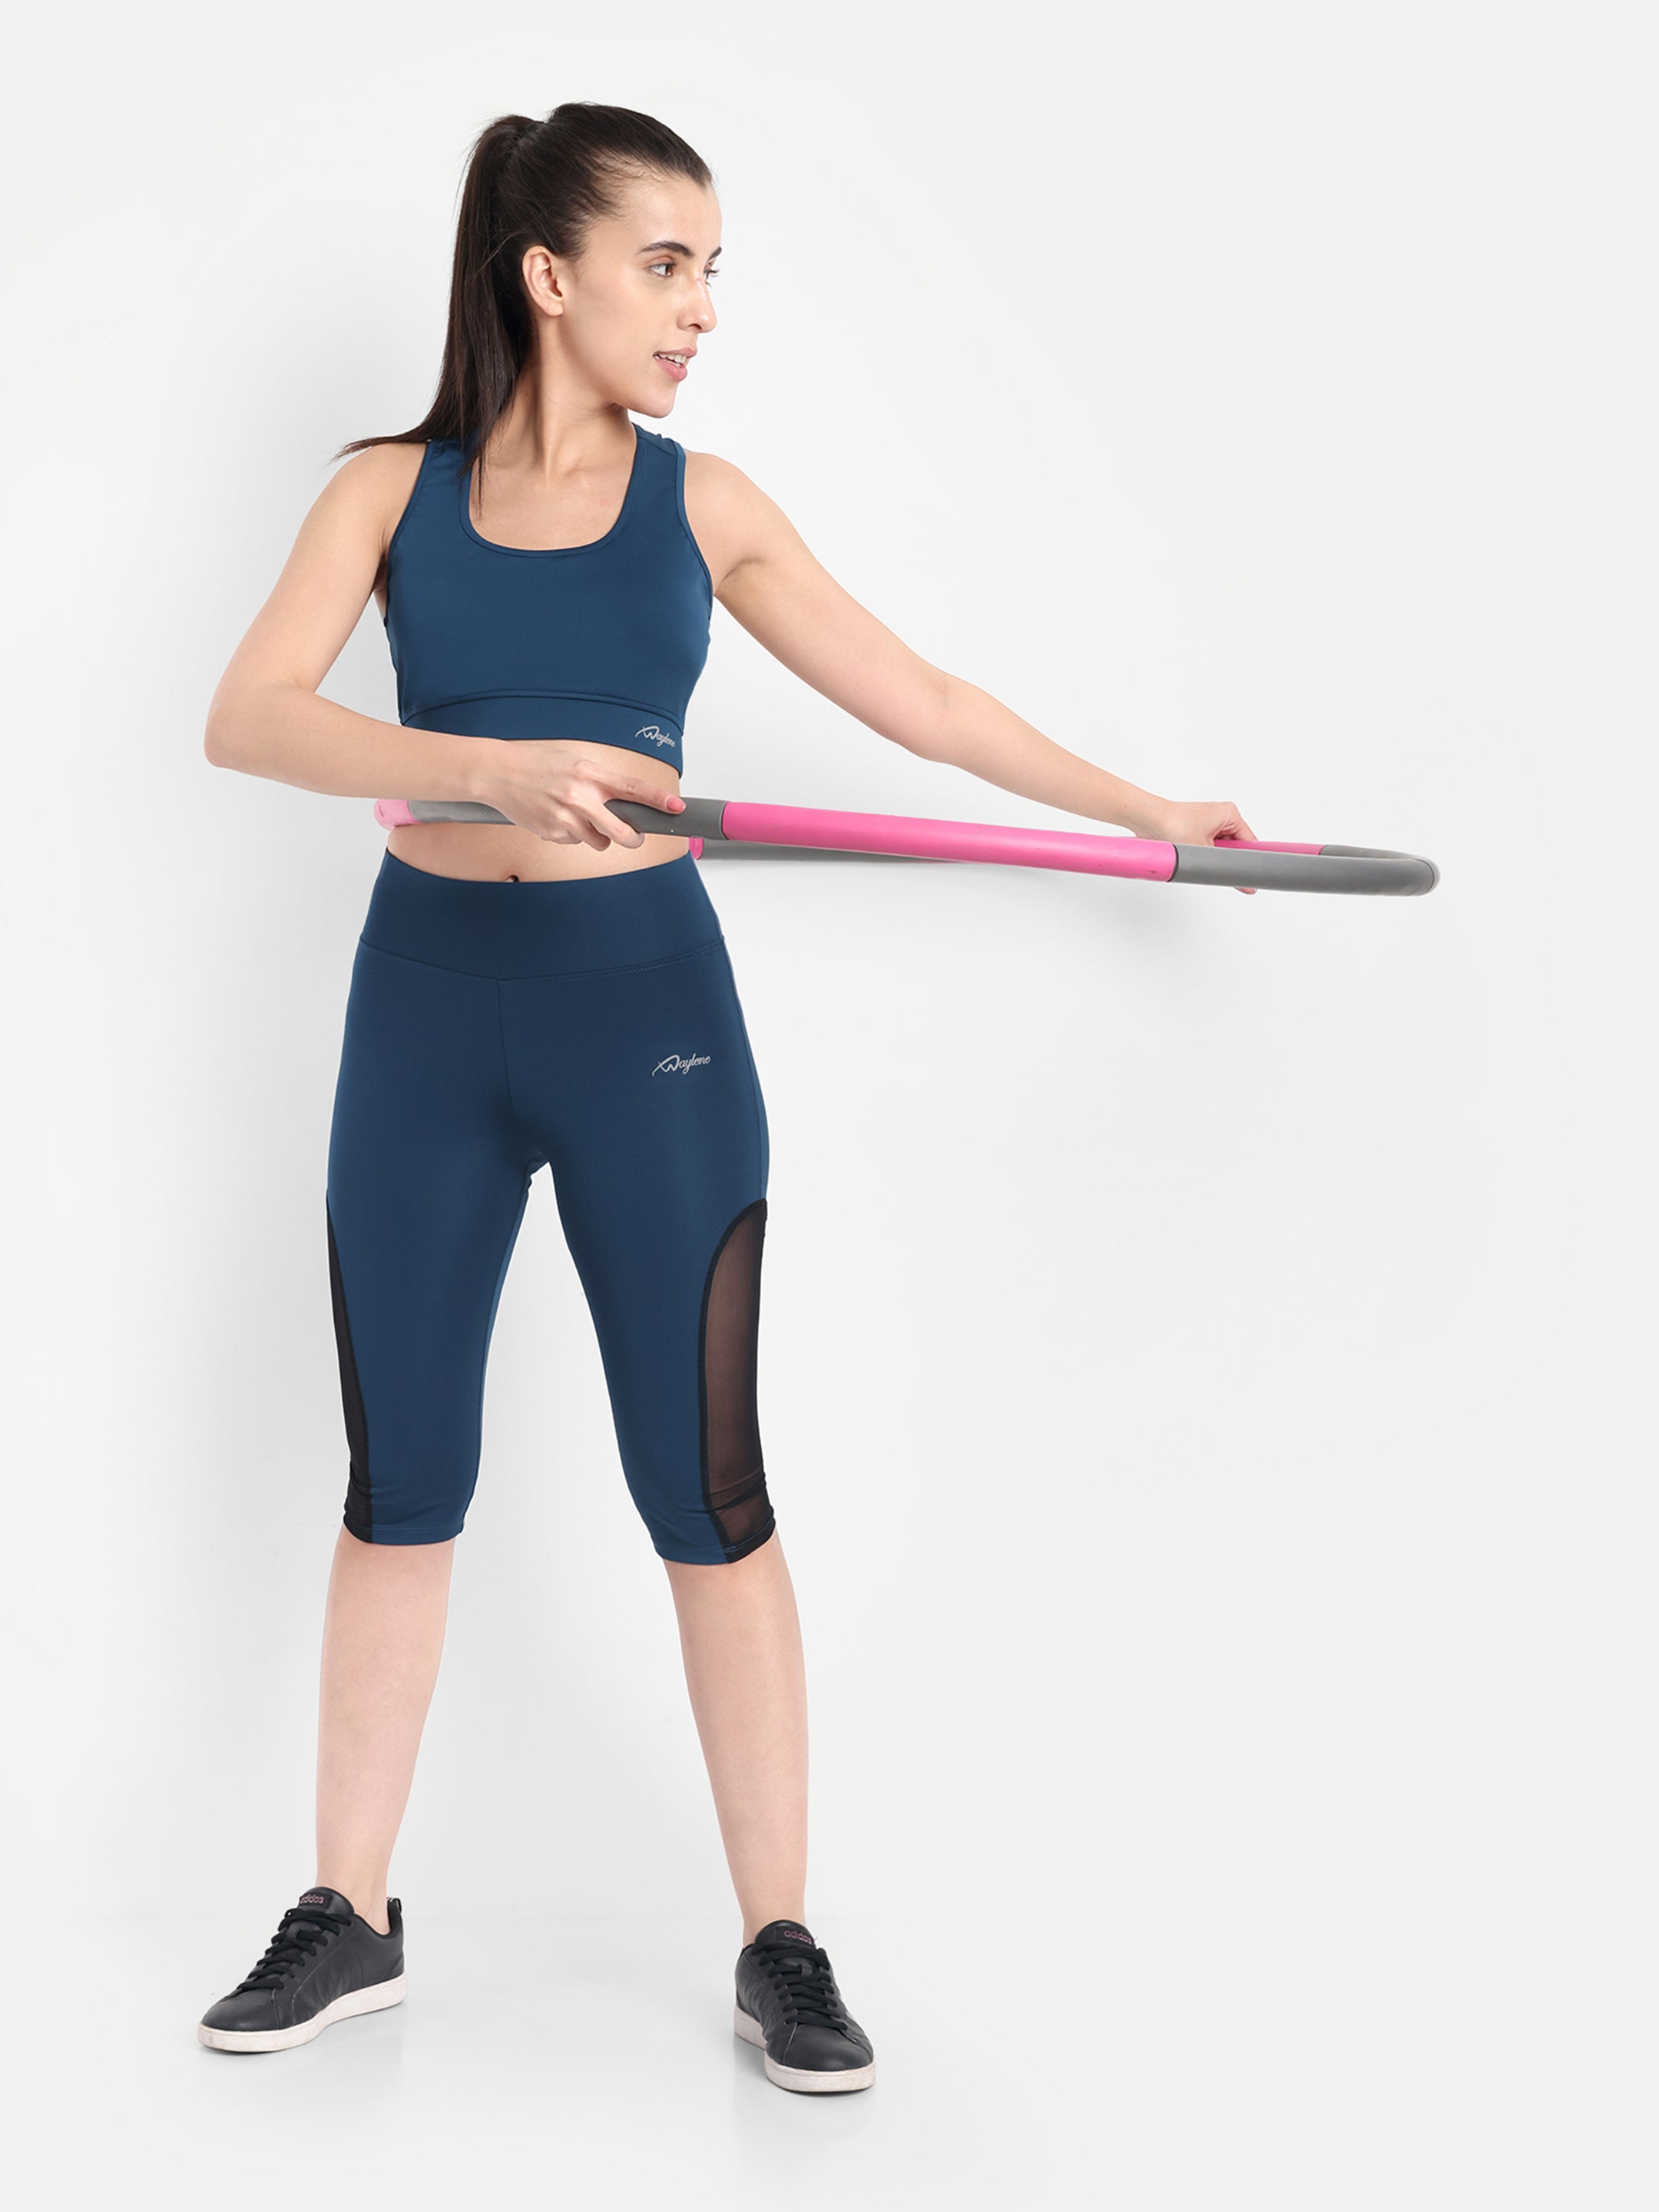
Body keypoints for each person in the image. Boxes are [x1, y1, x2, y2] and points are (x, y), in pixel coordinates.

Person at [196, 101, 1257, 2092]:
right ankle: (349, 1912)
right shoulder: (385, 489)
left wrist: (1140, 810)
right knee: (397, 1473)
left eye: (712, 271)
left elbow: (922, 700)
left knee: (709, 1486)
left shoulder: (706, 504)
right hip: (423, 1012)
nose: (698, 309)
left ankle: (780, 1938)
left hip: (642, 1015)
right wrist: (493, 767)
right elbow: (247, 715)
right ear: (549, 273)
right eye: (665, 264)